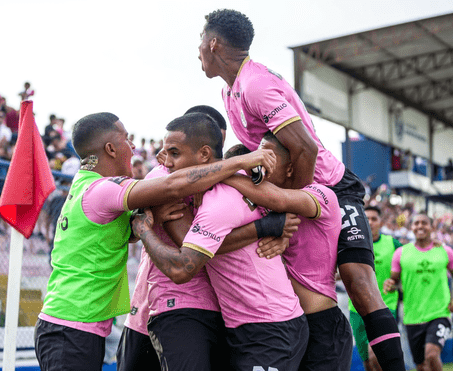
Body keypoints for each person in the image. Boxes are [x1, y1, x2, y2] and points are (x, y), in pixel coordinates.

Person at [197, 9, 405, 370]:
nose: (197, 50)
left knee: (358, 284)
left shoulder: (257, 85)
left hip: (330, 186)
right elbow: (257, 150)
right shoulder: (229, 91)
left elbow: (304, 149)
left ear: (213, 43)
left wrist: (285, 214)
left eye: (199, 41)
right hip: (290, 188)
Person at [34, 112, 276, 371]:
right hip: (70, 327)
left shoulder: (86, 186)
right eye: (127, 139)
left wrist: (150, 221)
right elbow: (172, 187)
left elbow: (125, 233)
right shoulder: (102, 190)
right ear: (111, 148)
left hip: (72, 325)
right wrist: (242, 161)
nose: (133, 146)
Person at [118, 114, 292, 371]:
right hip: (171, 306)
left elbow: (282, 200)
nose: (166, 159)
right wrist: (262, 228)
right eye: (168, 151)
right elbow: (189, 252)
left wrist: (281, 226)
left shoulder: (227, 182)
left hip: (222, 311)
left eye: (174, 152)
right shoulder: (163, 176)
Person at [220, 132, 353, 371]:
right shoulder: (262, 206)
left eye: (267, 155)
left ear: (290, 169)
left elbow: (281, 199)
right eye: (257, 153)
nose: (259, 160)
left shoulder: (321, 194)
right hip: (284, 328)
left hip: (323, 327)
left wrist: (224, 173)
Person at [384, 214, 453, 371]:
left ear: (432, 227)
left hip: (439, 313)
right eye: (416, 223)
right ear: (411, 227)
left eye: (424, 223)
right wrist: (390, 285)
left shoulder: (445, 251)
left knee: (432, 355)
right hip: (412, 317)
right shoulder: (401, 253)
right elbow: (394, 281)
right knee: (421, 365)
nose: (420, 226)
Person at [346, 206, 402, 371]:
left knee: (375, 355)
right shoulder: (351, 243)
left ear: (381, 222)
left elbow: (405, 273)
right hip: (357, 308)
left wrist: (395, 285)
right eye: (366, 218)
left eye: (374, 219)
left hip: (385, 306)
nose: (370, 222)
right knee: (367, 362)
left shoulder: (393, 244)